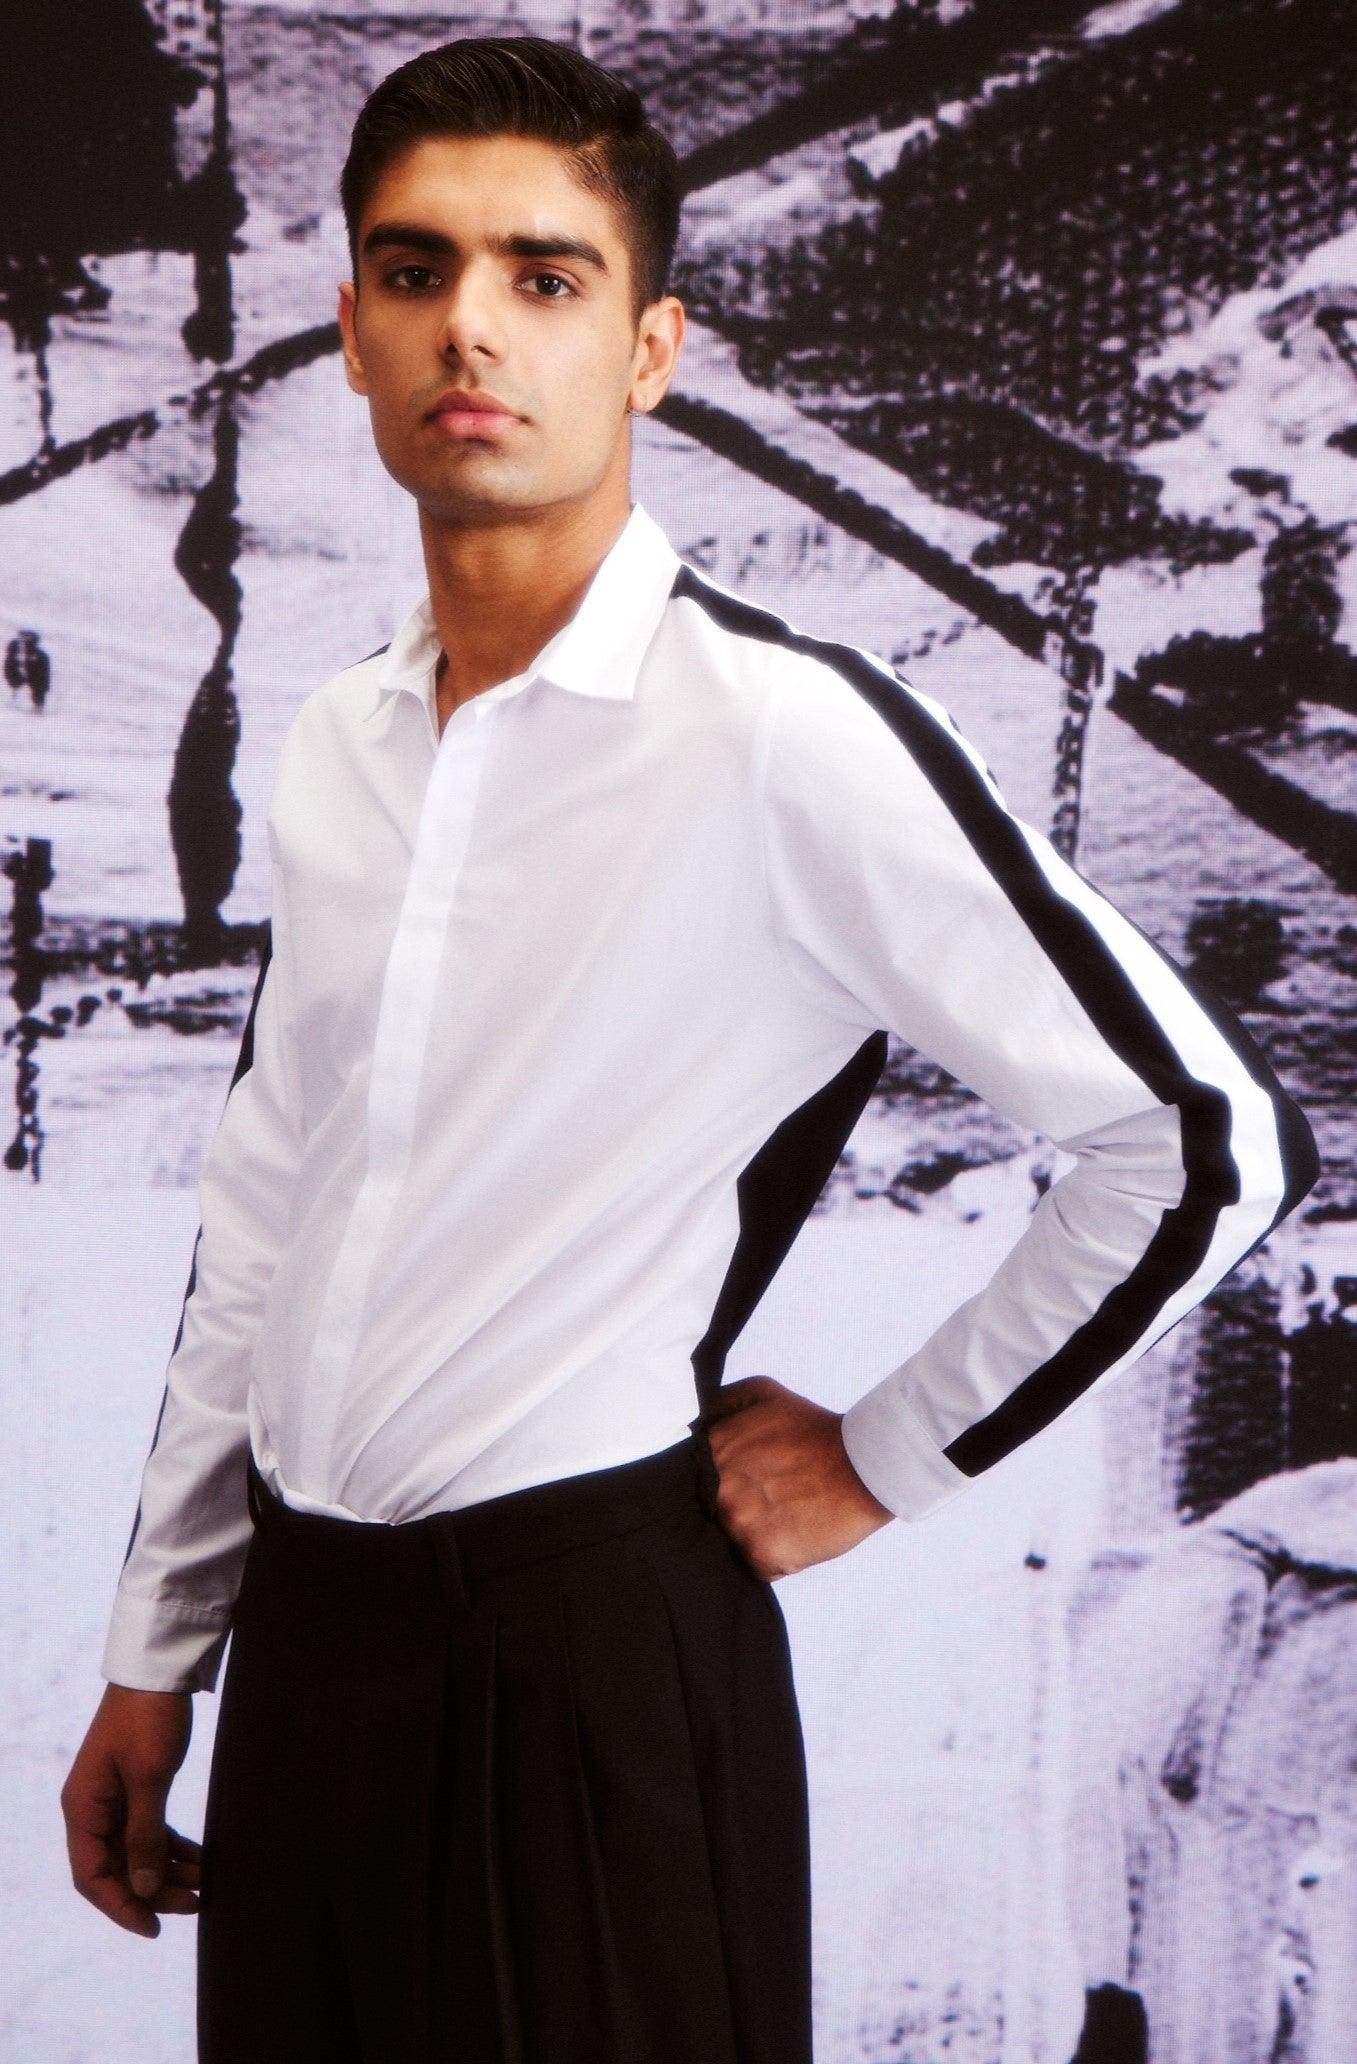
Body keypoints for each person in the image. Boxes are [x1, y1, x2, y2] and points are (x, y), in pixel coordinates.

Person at [60, 32, 1320, 2064]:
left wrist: (887, 1456)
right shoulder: (340, 738)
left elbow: (1199, 1140)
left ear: (648, 349)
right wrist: (160, 1649)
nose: (471, 326)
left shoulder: (780, 734)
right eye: (415, 270)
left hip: (586, 1664)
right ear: (354, 332)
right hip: (306, 1654)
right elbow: (264, 1216)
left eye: (544, 277)